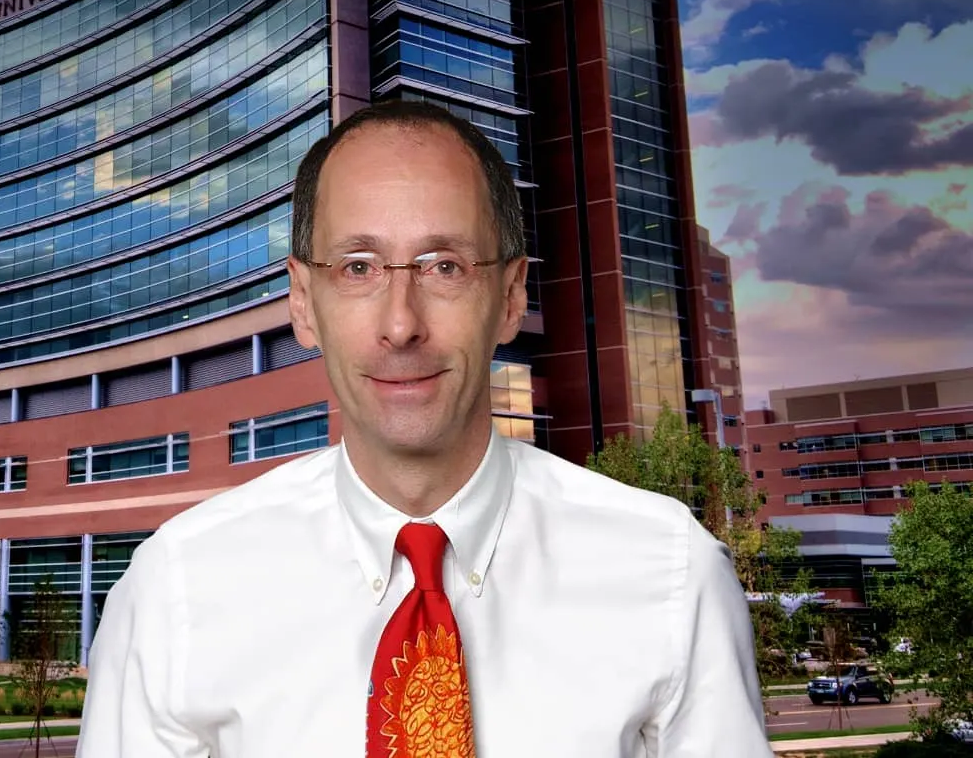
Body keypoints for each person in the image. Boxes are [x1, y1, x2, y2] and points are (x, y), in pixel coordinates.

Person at [80, 100, 770, 756]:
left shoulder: (673, 574)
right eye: (358, 267)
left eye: (445, 266)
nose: (402, 323)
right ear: (303, 302)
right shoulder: (176, 588)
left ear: (508, 297)